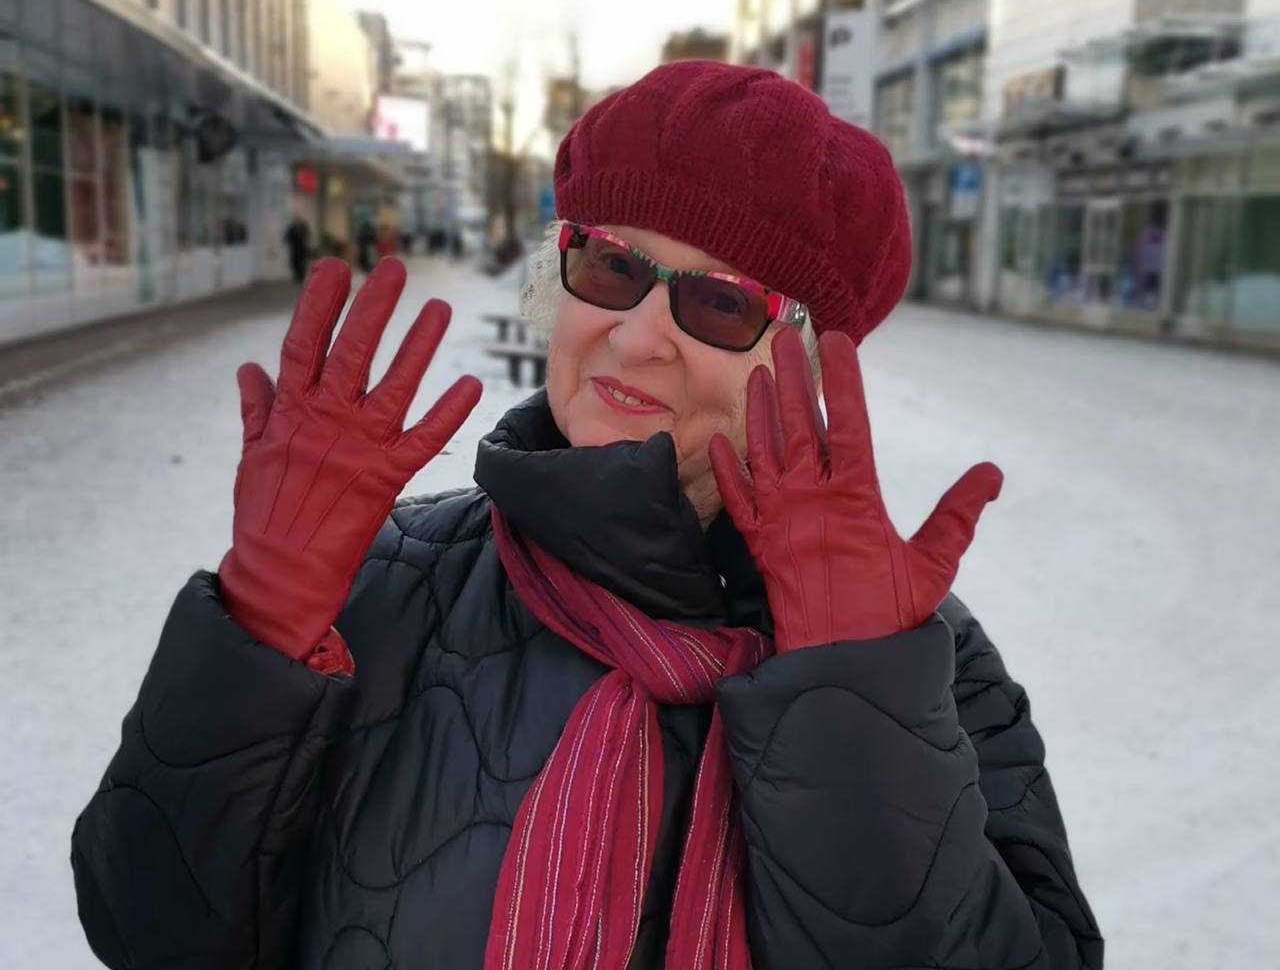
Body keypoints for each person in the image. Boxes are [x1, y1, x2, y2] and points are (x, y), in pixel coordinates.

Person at [71, 62, 1102, 969]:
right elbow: (150, 929)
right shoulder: (372, 583)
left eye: (720, 301)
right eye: (611, 264)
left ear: (810, 362)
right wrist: (255, 637)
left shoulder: (916, 660)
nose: (637, 336)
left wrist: (850, 707)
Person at [282, 215, 311, 283]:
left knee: (302, 264)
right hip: (295, 250)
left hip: (302, 249)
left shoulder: (303, 227)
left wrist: (306, 244)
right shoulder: (291, 229)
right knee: (295, 264)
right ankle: (297, 277)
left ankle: (301, 278)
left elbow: (307, 237)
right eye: (296, 221)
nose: (297, 222)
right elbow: (286, 238)